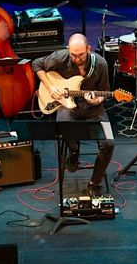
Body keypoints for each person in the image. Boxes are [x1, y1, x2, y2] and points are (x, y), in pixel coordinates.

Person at [32, 34, 115, 198]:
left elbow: (105, 91)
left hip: (93, 109)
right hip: (67, 104)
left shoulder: (100, 64)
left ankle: (94, 183)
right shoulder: (60, 57)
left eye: (81, 55)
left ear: (89, 50)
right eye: (73, 55)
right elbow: (36, 65)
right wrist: (50, 88)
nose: (77, 59)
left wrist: (97, 99)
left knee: (109, 143)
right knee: (63, 125)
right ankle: (74, 149)